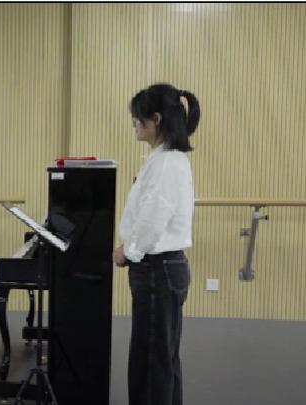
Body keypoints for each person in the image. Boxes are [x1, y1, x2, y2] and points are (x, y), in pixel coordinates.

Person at [113, 83, 200, 405]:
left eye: (138, 118)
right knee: (161, 359)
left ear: (157, 119)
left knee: (151, 362)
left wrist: (128, 251)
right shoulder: (166, 158)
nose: (134, 124)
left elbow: (153, 217)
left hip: (156, 268)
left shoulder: (167, 163)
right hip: (162, 268)